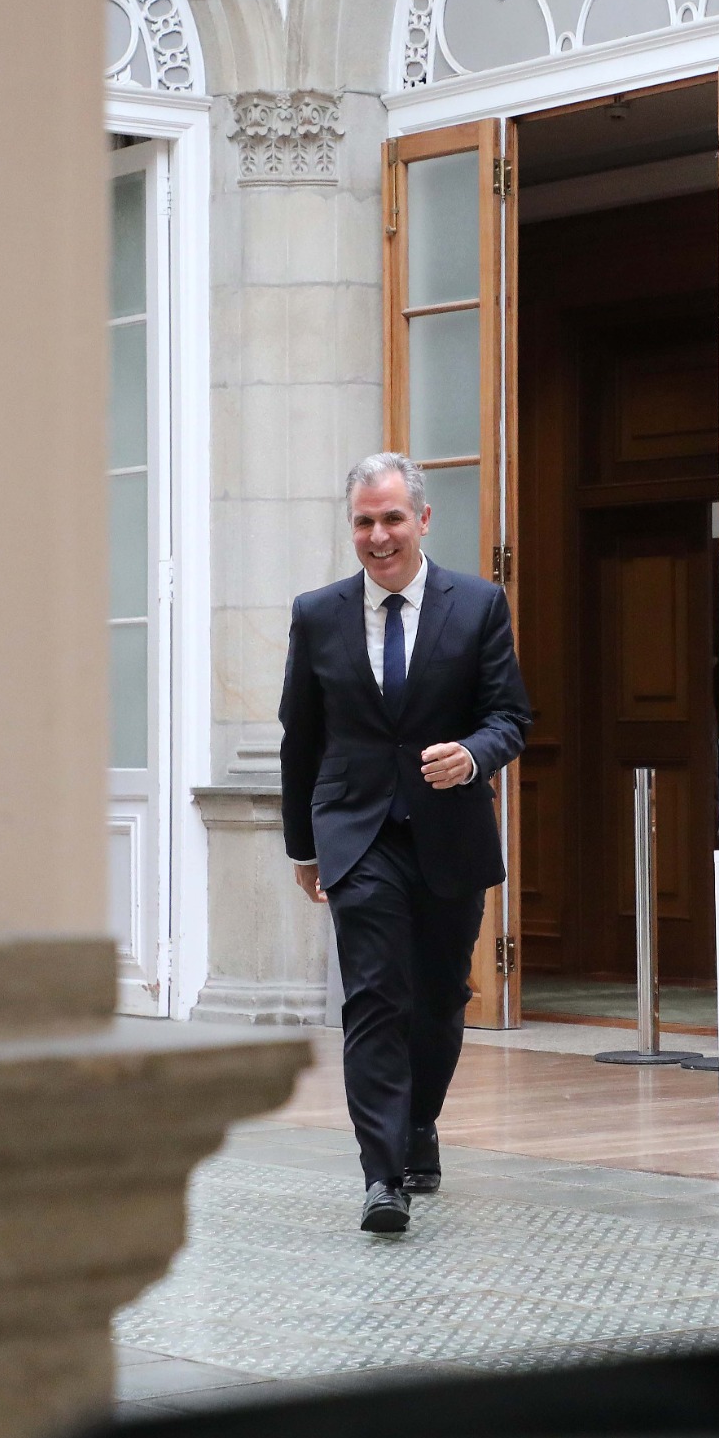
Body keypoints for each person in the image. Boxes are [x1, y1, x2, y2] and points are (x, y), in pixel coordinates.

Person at [280, 452, 533, 1232]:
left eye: (392, 518)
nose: (378, 535)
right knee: (375, 997)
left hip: (448, 831)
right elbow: (300, 737)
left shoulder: (479, 604)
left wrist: (474, 754)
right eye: (364, 520)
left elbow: (511, 718)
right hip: (356, 833)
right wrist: (303, 848)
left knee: (438, 997)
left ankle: (420, 1124)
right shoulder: (318, 613)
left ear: (423, 520)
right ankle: (381, 1176)